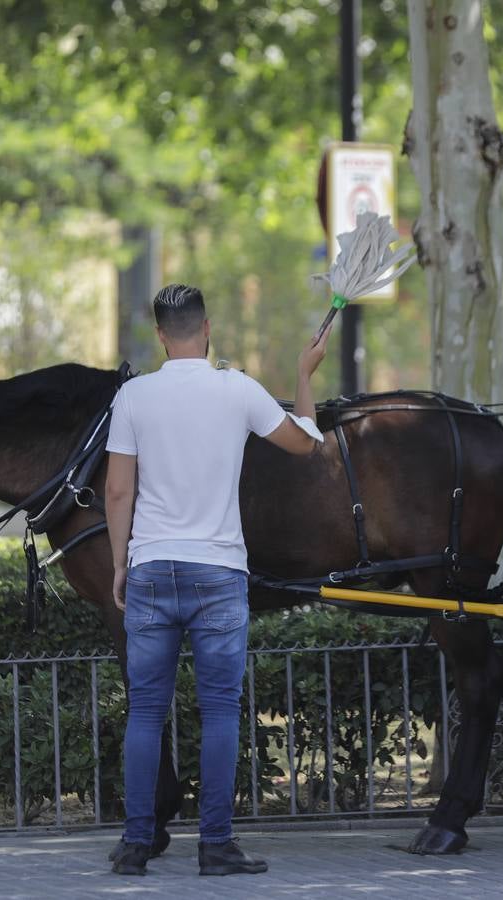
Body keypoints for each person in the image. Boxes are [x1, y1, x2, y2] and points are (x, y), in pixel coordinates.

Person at [105, 283, 330, 877]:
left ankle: (134, 846)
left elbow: (118, 490)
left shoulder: (133, 396)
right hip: (219, 572)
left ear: (160, 334)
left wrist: (119, 563)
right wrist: (306, 374)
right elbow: (306, 445)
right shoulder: (239, 390)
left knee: (147, 712)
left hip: (152, 567)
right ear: (207, 329)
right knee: (221, 711)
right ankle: (216, 846)